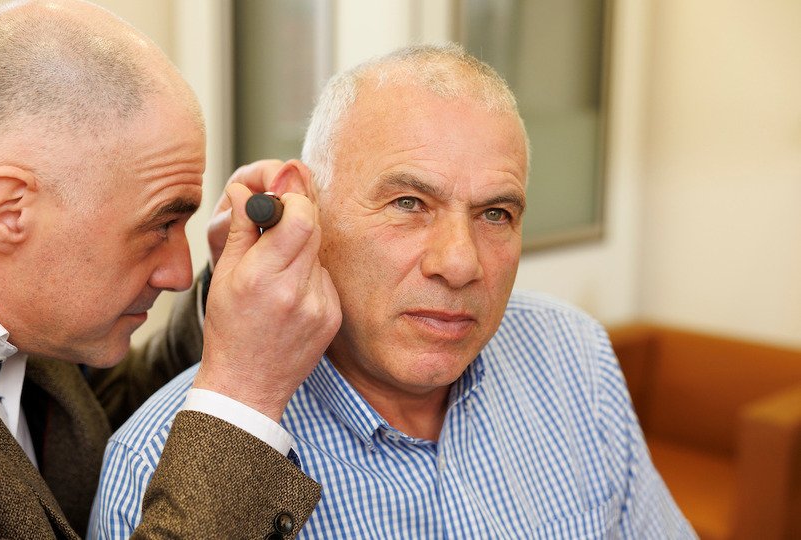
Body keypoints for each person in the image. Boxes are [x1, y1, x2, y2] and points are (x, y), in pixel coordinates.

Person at [93, 44, 697, 538]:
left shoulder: (573, 358)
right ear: (299, 203)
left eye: (495, 214)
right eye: (408, 203)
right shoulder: (158, 475)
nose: (460, 265)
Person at [0, 1, 340, 538]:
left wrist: (224, 298)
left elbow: (104, 412)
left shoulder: (34, 341)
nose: (180, 271)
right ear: (8, 210)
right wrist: (242, 396)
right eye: (160, 223)